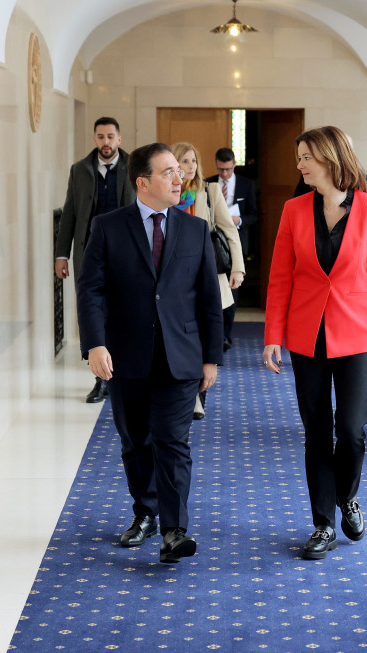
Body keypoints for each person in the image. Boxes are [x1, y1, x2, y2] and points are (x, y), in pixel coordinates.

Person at [263, 126, 367, 560]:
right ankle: (323, 523)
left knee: (350, 430)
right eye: (299, 157)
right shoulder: (293, 210)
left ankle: (348, 497)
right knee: (316, 433)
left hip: (357, 333)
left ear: (329, 157)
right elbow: (280, 277)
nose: (300, 164)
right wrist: (273, 335)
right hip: (306, 335)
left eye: (306, 156)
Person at [76, 143, 223, 562]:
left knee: (173, 442)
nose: (180, 179)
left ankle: (174, 530)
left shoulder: (194, 230)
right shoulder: (108, 227)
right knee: (135, 441)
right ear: (143, 182)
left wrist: (210, 357)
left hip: (181, 356)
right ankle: (145, 512)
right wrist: (95, 343)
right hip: (126, 355)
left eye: (179, 171)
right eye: (169, 172)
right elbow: (91, 290)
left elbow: (208, 300)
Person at [55, 117, 136, 403]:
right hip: (90, 254)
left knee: (125, 313)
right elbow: (70, 214)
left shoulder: (134, 167)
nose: (106, 142)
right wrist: (62, 254)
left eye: (111, 136)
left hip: (126, 255)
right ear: (94, 139)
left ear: (119, 139)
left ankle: (124, 375)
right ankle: (100, 380)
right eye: (100, 137)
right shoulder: (79, 170)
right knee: (93, 313)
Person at [170, 142, 245, 419]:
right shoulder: (166, 195)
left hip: (206, 277)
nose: (188, 167)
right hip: (173, 282)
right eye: (182, 162)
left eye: (192, 161)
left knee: (203, 339)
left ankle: (197, 398)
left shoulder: (210, 192)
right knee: (182, 339)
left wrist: (237, 267)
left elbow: (229, 230)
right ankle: (186, 393)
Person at [206, 147, 258, 351]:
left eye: (227, 169)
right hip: (213, 243)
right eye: (220, 169)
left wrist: (240, 219)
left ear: (234, 165)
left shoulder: (246, 184)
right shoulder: (208, 183)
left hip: (236, 242)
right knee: (214, 291)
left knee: (231, 292)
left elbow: (254, 215)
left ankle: (226, 335)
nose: (224, 174)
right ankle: (215, 334)